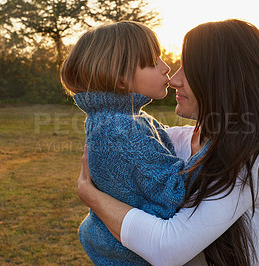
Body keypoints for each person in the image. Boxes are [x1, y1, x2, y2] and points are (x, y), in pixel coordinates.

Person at [77, 19, 259, 265]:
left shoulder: (255, 154)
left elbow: (168, 249)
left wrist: (91, 196)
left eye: (188, 70)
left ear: (221, 78)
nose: (174, 79)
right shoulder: (168, 139)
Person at [60, 21, 210, 265]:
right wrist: (199, 155)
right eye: (153, 63)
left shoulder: (119, 117)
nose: (166, 68)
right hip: (133, 256)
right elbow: (174, 193)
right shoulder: (120, 129)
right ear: (120, 80)